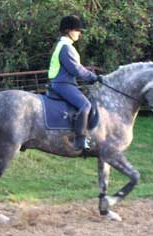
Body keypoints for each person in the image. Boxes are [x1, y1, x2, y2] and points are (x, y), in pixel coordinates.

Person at [48, 15, 100, 151]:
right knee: (85, 104)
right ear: (68, 30)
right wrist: (93, 77)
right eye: (77, 30)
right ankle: (80, 139)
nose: (79, 33)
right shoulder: (66, 47)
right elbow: (76, 69)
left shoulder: (63, 45)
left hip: (63, 82)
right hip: (63, 83)